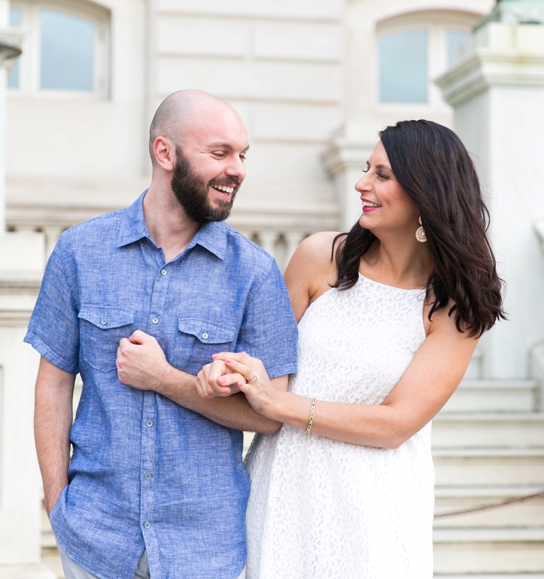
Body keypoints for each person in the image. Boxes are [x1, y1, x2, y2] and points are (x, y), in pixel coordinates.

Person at [198, 119, 505, 579]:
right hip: (282, 488)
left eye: (382, 174)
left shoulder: (452, 307)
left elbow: (396, 424)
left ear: (427, 191)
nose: (362, 183)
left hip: (375, 512)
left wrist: (281, 403)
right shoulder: (320, 257)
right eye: (367, 169)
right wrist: (227, 374)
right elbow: (263, 365)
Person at [28, 89, 298, 579]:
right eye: (220, 153)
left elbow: (271, 415)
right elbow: (54, 381)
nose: (237, 168)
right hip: (96, 538)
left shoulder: (255, 273)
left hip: (207, 548)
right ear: (165, 152)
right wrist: (57, 503)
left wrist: (165, 378)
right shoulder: (80, 252)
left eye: (242, 155)